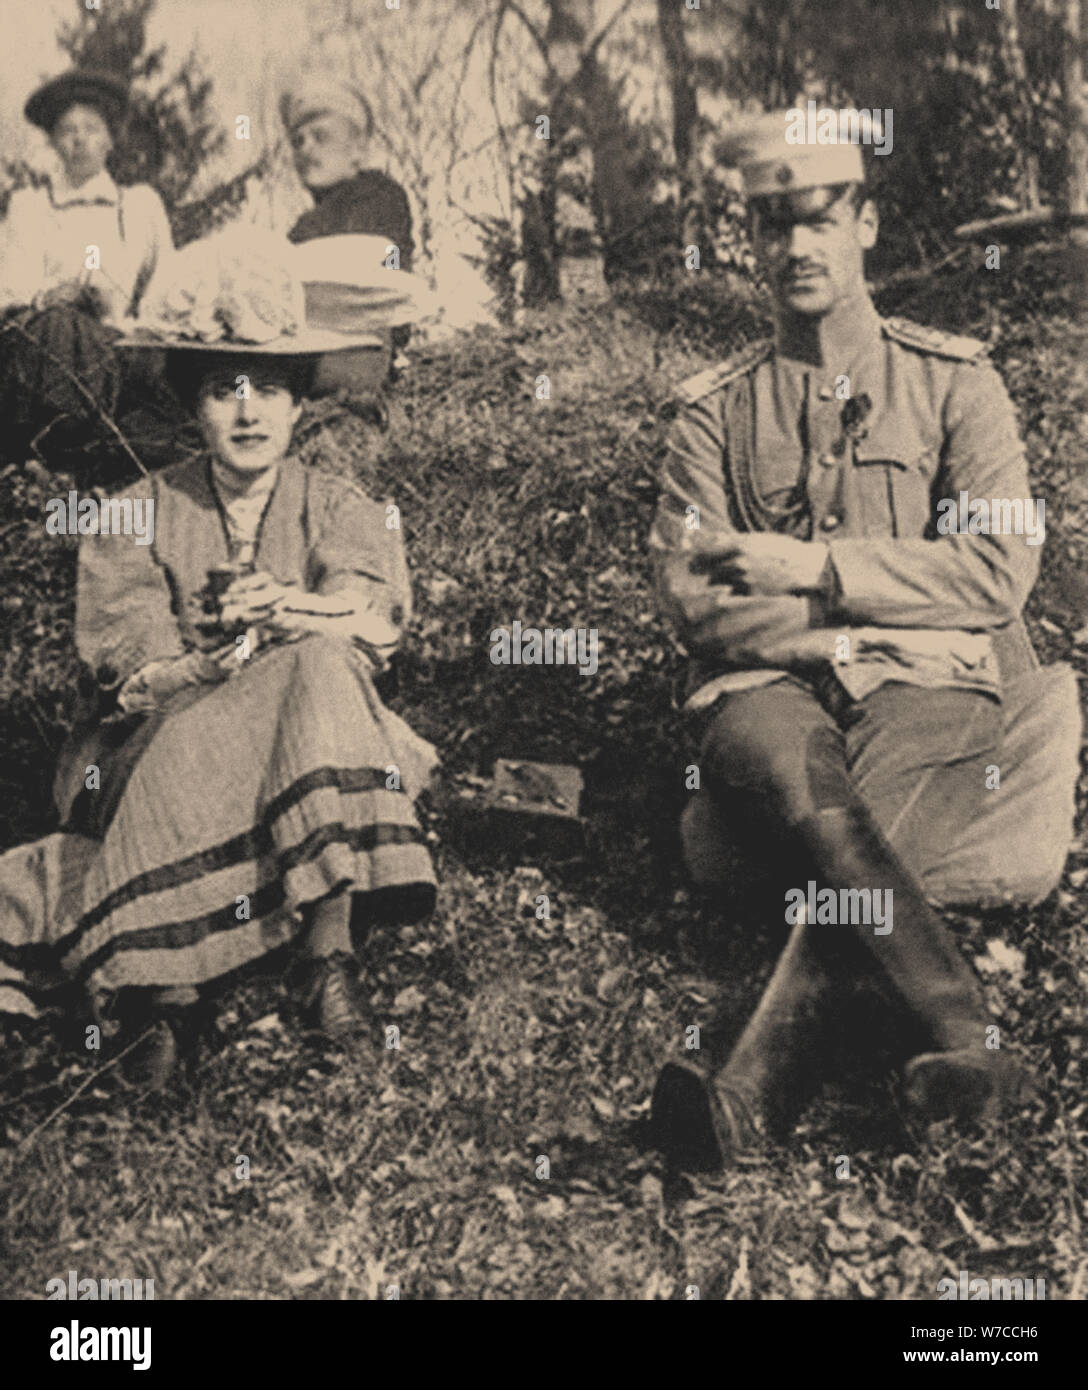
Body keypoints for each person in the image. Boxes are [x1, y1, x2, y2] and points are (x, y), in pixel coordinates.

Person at [648, 112, 1081, 1169]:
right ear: (749, 242)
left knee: (861, 816)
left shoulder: (954, 383)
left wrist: (814, 571)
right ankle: (962, 1038)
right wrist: (863, 622)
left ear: (866, 225)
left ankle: (747, 1086)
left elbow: (996, 568)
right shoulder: (711, 413)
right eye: (771, 225)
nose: (796, 247)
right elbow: (696, 604)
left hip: (926, 687)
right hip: (761, 687)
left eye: (819, 221)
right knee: (804, 779)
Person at [0, 242, 437, 1088]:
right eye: (222, 388)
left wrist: (286, 611)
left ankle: (324, 953)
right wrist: (211, 664)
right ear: (191, 403)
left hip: (302, 732)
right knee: (226, 707)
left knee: (318, 665)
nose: (247, 412)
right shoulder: (131, 512)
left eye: (268, 387)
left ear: (300, 401)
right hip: (164, 743)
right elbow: (126, 664)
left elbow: (372, 619)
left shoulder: (345, 507)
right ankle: (167, 992)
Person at [0, 69, 174, 460]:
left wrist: (121, 317)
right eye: (67, 131)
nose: (80, 140)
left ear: (111, 139)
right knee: (61, 329)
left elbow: (163, 287)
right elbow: (11, 288)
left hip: (118, 353)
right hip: (45, 356)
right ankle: (56, 455)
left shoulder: (139, 206)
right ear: (53, 143)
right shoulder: (30, 207)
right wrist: (49, 297)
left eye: (92, 129)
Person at [281, 78, 414, 405]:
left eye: (321, 136)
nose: (306, 149)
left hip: (355, 355)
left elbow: (364, 271)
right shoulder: (302, 228)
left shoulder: (380, 197)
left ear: (358, 148)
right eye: (298, 141)